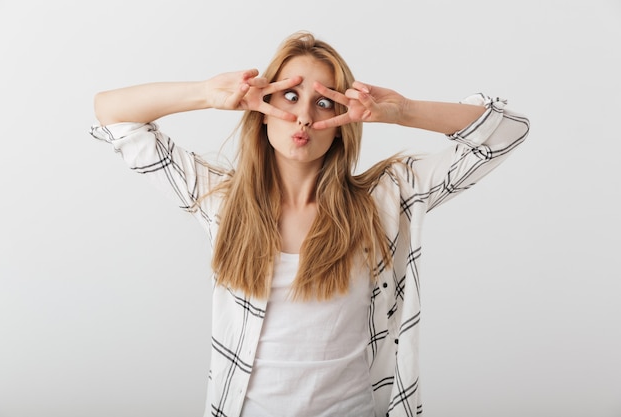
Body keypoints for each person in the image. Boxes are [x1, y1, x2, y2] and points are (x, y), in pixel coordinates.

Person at [90, 31, 529, 417]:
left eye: (324, 103)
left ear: (342, 125)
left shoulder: (386, 200)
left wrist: (403, 110)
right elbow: (111, 113)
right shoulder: (222, 202)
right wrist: (206, 93)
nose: (304, 119)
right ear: (260, 109)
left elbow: (505, 133)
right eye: (290, 96)